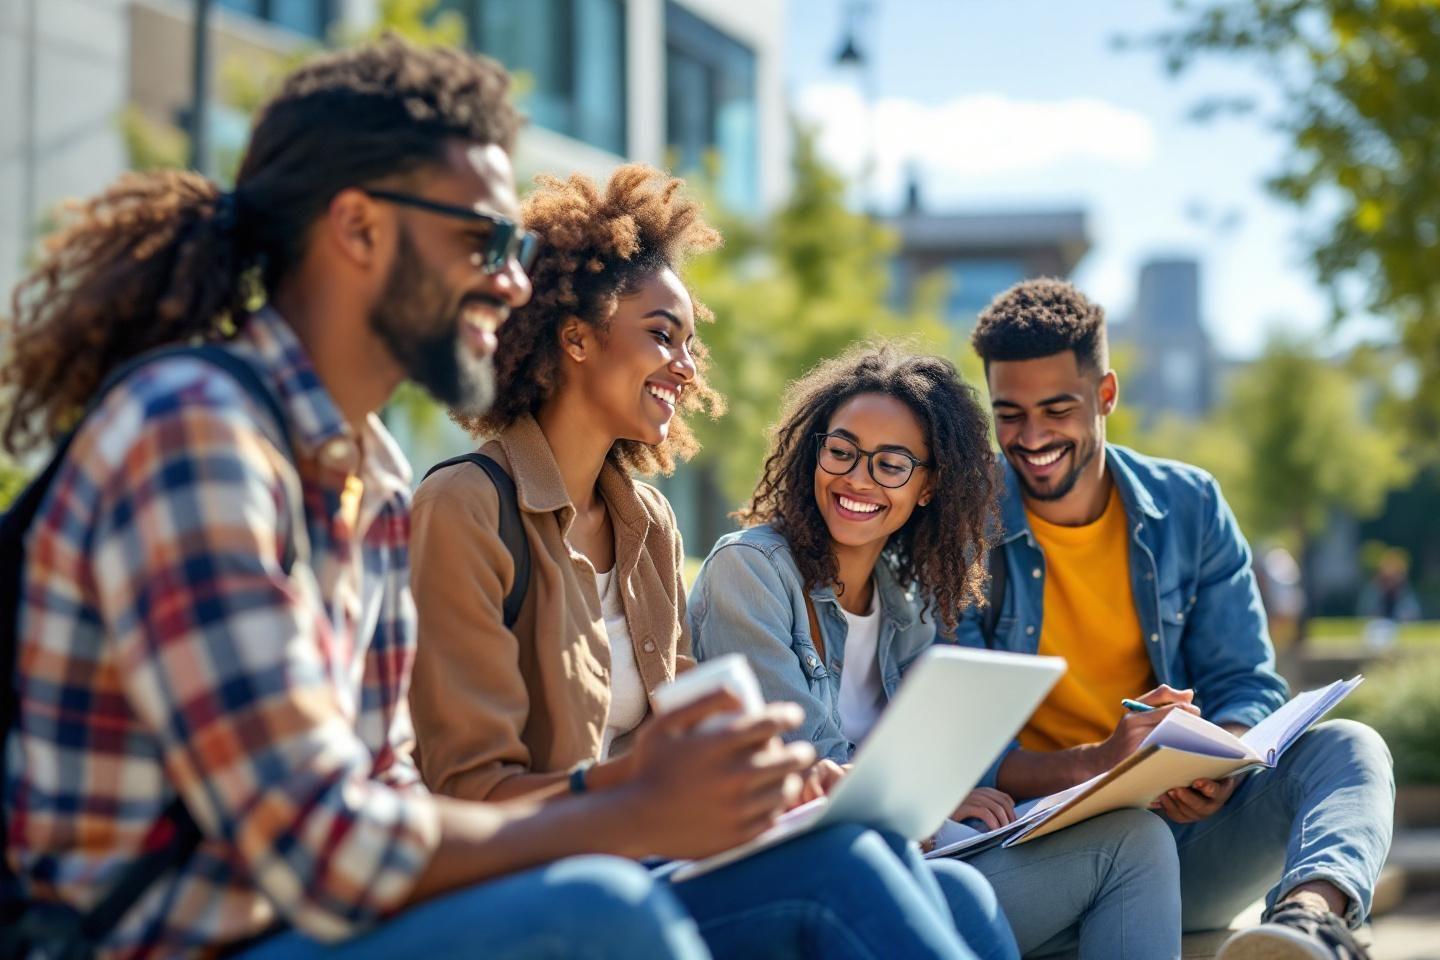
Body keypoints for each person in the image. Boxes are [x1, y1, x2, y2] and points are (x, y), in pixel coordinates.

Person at [3, 38, 787, 960]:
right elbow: (323, 844)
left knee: (829, 869)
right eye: (486, 241)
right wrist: (626, 807)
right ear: (360, 228)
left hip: (318, 926)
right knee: (599, 914)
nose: (513, 280)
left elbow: (389, 792)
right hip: (168, 942)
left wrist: (678, 795)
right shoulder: (194, 432)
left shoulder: (367, 474)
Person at [407, 166, 1008, 959]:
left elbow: (696, 734)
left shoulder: (648, 523)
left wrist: (785, 782)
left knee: (953, 884)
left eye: (692, 343)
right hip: (553, 884)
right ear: (575, 335)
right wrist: (647, 793)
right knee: (844, 872)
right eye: (662, 334)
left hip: (661, 852)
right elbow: (468, 795)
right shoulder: (466, 507)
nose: (688, 367)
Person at [688, 343, 1182, 959]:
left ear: (928, 487)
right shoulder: (751, 572)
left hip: (919, 853)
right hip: (816, 878)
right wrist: (931, 800)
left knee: (1136, 839)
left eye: (891, 464)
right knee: (971, 887)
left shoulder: (909, 600)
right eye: (841, 451)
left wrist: (949, 792)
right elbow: (805, 769)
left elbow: (938, 757)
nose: (857, 479)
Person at [954, 277, 1394, 960]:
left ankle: (1309, 927)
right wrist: (1100, 764)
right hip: (1040, 851)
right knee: (1131, 840)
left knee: (1351, 748)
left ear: (1105, 396)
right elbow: (963, 746)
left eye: (1057, 408)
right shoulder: (963, 528)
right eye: (1009, 413)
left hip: (1188, 839)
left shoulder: (1189, 506)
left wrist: (1214, 759)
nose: (1032, 436)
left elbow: (1246, 680)